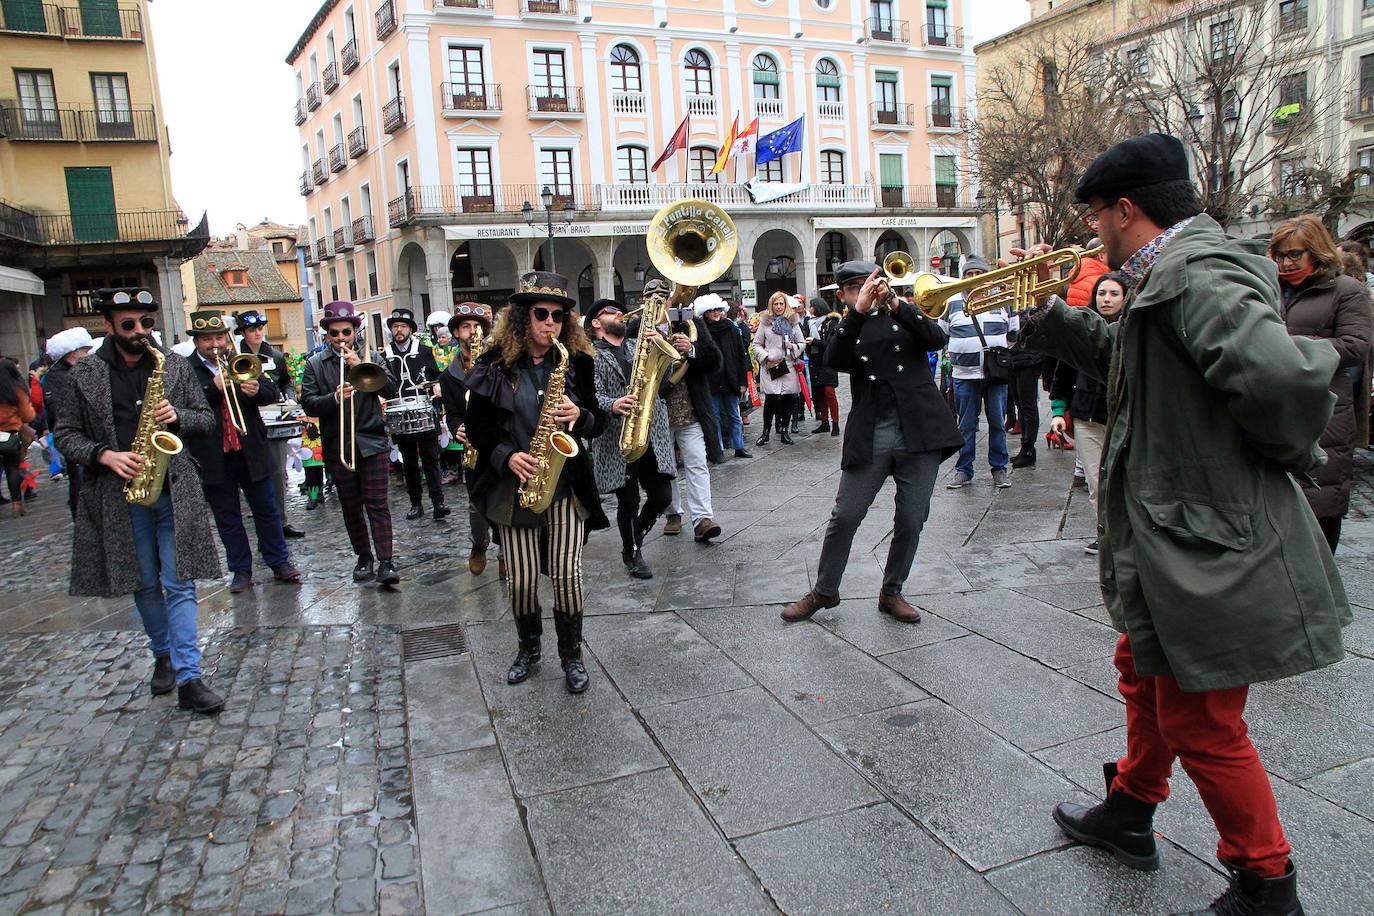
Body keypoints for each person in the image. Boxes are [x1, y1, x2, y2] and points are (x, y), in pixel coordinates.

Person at [1018, 133, 1349, 916]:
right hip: (1168, 528)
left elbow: (1283, 377)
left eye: (1098, 213)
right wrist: (1059, 326)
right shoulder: (1165, 271)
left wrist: (1277, 457)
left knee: (1203, 719)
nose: (1092, 229)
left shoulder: (1199, 269)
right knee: (1143, 668)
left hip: (1203, 530)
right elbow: (1155, 373)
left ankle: (1267, 882)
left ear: (1125, 209)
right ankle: (1131, 810)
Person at [52, 288, 226, 714]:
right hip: (119, 494)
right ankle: (162, 652)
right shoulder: (85, 374)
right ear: (109, 326)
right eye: (128, 325)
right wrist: (104, 455)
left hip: (173, 488)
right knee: (145, 582)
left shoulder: (174, 366)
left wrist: (178, 417)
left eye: (146, 323)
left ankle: (190, 676)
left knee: (179, 583)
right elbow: (66, 436)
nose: (139, 332)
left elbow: (205, 419)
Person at [782, 261, 962, 624]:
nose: (867, 290)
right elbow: (835, 359)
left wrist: (896, 303)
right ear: (844, 294)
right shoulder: (844, 324)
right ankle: (825, 590)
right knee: (845, 515)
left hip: (920, 428)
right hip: (873, 427)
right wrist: (859, 311)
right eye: (855, 288)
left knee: (912, 518)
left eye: (871, 283)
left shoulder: (905, 312)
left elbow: (936, 339)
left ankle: (892, 591)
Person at [464, 272, 608, 693]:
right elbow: (477, 427)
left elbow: (597, 422)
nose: (551, 323)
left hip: (565, 486)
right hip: (515, 489)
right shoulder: (495, 365)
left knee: (567, 575)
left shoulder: (576, 362)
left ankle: (572, 656)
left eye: (559, 316)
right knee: (523, 579)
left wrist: (579, 417)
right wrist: (506, 456)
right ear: (523, 318)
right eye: (542, 314)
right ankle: (528, 647)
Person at [1269, 215, 1373, 552]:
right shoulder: (1269, 287)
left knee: (1321, 499)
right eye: (1280, 254)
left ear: (1315, 252)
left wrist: (1292, 351)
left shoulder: (1346, 290)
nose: (1285, 262)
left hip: (1324, 406)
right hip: (1273, 403)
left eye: (1294, 254)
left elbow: (1356, 344)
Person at [185, 311, 301, 593]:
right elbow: (182, 408)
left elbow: (273, 391)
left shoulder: (239, 360)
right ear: (197, 341)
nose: (214, 344)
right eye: (207, 339)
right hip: (214, 452)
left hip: (250, 447)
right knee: (227, 516)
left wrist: (256, 391)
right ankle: (240, 569)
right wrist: (211, 389)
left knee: (267, 509)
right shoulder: (186, 368)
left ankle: (279, 561)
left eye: (219, 338)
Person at [300, 301, 402, 585]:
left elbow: (392, 389)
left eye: (346, 331)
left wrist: (362, 365)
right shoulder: (315, 364)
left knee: (378, 504)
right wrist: (333, 399)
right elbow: (307, 403)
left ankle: (386, 561)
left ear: (356, 330)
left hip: (372, 441)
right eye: (335, 333)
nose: (341, 338)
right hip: (338, 444)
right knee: (350, 505)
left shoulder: (373, 357)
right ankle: (363, 557)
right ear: (327, 334)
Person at [586, 298, 675, 578]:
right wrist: (612, 404)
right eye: (610, 311)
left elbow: (662, 379)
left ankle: (635, 535)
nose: (618, 313)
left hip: (651, 428)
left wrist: (662, 344)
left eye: (619, 310)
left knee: (662, 496)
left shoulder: (639, 344)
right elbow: (591, 396)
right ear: (596, 323)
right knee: (629, 499)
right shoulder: (590, 356)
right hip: (618, 436)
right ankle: (633, 552)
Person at [1047, 272, 1128, 554]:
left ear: (1126, 298)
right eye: (1102, 293)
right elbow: (1063, 372)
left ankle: (1128, 535)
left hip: (1122, 418)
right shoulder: (1083, 327)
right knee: (1096, 483)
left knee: (1125, 482)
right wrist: (1058, 411)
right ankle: (1107, 535)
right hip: (1087, 416)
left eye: (1114, 294)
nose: (1106, 299)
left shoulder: (1132, 328)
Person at [439, 302, 504, 577]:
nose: (472, 331)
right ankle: (479, 544)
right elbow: (452, 414)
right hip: (472, 448)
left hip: (499, 441)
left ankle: (505, 554)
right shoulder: (448, 375)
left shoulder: (498, 364)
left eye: (476, 326)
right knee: (476, 506)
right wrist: (457, 429)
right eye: (465, 327)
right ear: (456, 333)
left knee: (504, 500)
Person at [941, 255, 1015, 489]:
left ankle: (999, 468)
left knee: (997, 423)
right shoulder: (951, 302)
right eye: (969, 274)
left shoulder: (1002, 299)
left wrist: (995, 355)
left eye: (978, 274)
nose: (973, 278)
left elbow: (1013, 334)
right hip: (964, 373)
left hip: (995, 375)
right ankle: (964, 470)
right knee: (966, 425)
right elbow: (942, 334)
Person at [658, 292, 724, 542]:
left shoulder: (691, 323)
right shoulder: (640, 327)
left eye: (665, 299)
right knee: (666, 467)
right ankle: (673, 513)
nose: (664, 304)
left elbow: (715, 361)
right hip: (659, 410)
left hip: (690, 410)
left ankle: (702, 519)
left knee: (697, 463)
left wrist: (692, 348)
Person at [235, 310, 304, 540]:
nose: (257, 333)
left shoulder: (274, 355)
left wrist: (289, 397)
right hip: (249, 418)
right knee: (253, 470)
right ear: (243, 332)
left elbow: (286, 382)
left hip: (275, 415)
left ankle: (281, 521)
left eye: (260, 329)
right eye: (252, 329)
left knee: (277, 470)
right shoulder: (234, 355)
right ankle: (262, 518)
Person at [382, 307, 449, 522]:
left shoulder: (424, 350)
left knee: (431, 458)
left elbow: (436, 376)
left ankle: (438, 503)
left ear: (410, 329)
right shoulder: (386, 354)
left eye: (403, 326)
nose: (399, 330)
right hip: (399, 413)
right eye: (395, 327)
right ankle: (416, 504)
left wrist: (437, 387)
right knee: (408, 462)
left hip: (423, 410)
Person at [40, 328, 95, 518]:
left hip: (85, 436)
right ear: (73, 352)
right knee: (78, 482)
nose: (88, 355)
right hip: (75, 438)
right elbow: (59, 411)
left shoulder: (72, 372)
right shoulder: (57, 377)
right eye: (84, 351)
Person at [701, 294, 752, 458]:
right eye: (712, 310)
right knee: (714, 417)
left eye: (718, 310)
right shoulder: (702, 330)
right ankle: (718, 450)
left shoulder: (730, 328)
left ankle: (739, 446)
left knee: (734, 415)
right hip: (712, 380)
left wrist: (743, 381)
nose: (716, 313)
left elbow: (740, 355)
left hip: (731, 378)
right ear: (706, 313)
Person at [752, 291, 806, 446]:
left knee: (788, 399)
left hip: (788, 365)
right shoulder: (765, 323)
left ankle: (785, 431)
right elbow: (756, 344)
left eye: (781, 303)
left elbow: (802, 343)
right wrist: (766, 356)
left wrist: (793, 347)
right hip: (771, 365)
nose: (779, 306)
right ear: (771, 305)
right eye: (776, 304)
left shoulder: (793, 322)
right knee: (771, 399)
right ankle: (766, 432)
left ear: (785, 305)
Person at [0, 358, 36, 517]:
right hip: (9, 435)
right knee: (12, 469)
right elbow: (28, 415)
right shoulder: (16, 391)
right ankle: (17, 505)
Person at [805, 296, 842, 436]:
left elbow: (830, 344)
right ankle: (824, 422)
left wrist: (814, 342)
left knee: (829, 392)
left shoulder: (831, 323)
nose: (810, 309)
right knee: (819, 393)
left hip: (827, 362)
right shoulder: (810, 323)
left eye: (812, 306)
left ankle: (836, 423)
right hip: (815, 361)